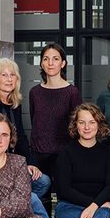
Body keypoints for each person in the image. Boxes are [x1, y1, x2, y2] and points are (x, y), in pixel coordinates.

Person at [0, 57, 53, 218]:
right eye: (4, 75)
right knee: (30, 197)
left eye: (13, 75)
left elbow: (21, 137)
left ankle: (18, 214)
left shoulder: (14, 103)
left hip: (13, 165)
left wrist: (30, 163)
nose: (9, 79)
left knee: (43, 181)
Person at [27, 42, 81, 194]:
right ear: (41, 63)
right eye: (46, 59)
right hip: (38, 155)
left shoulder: (72, 92)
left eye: (55, 59)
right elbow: (35, 121)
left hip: (63, 154)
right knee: (40, 198)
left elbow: (77, 126)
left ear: (63, 63)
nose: (50, 63)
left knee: (64, 197)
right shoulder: (34, 92)